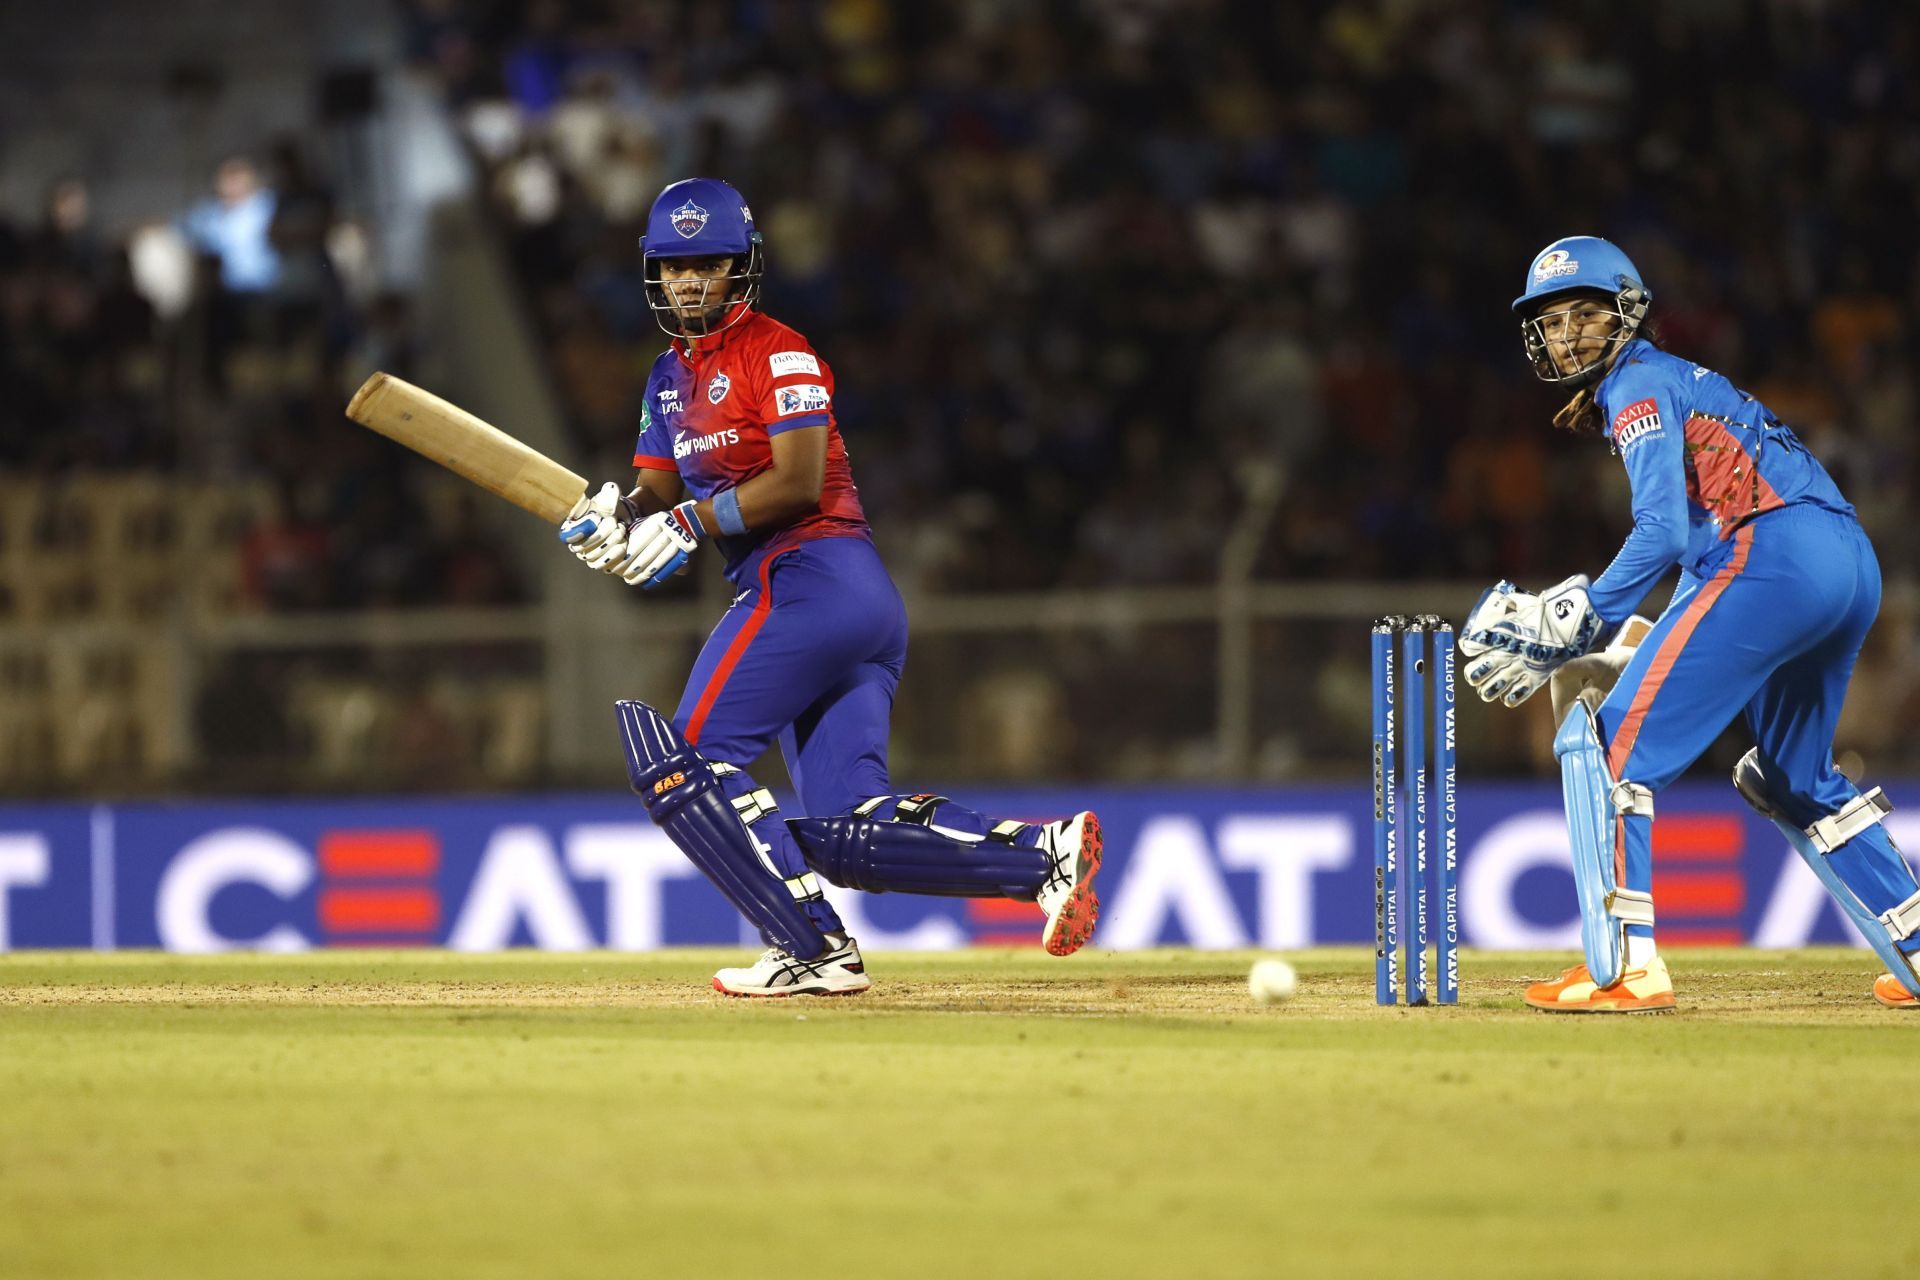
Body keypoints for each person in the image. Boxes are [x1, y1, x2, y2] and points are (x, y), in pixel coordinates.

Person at [559, 178, 1102, 996]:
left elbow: (799, 483)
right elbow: (656, 488)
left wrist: (688, 526)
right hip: (839, 606)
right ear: (654, 274)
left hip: (812, 575)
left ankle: (810, 947)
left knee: (688, 762)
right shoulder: (665, 379)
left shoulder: (779, 350)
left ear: (742, 269)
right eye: (674, 267)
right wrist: (617, 514)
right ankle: (1041, 857)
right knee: (848, 829)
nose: (689, 282)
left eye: (708, 264)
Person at [1460, 235, 1920, 1014]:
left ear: (1627, 316)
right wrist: (1646, 630)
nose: (1568, 333)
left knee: (1602, 748)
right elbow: (1710, 544)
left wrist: (1586, 615)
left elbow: (1666, 533)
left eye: (1585, 314)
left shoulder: (1635, 385)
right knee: (1794, 777)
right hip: (1843, 561)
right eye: (1554, 320)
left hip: (1772, 558)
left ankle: (1624, 969)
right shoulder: (1675, 380)